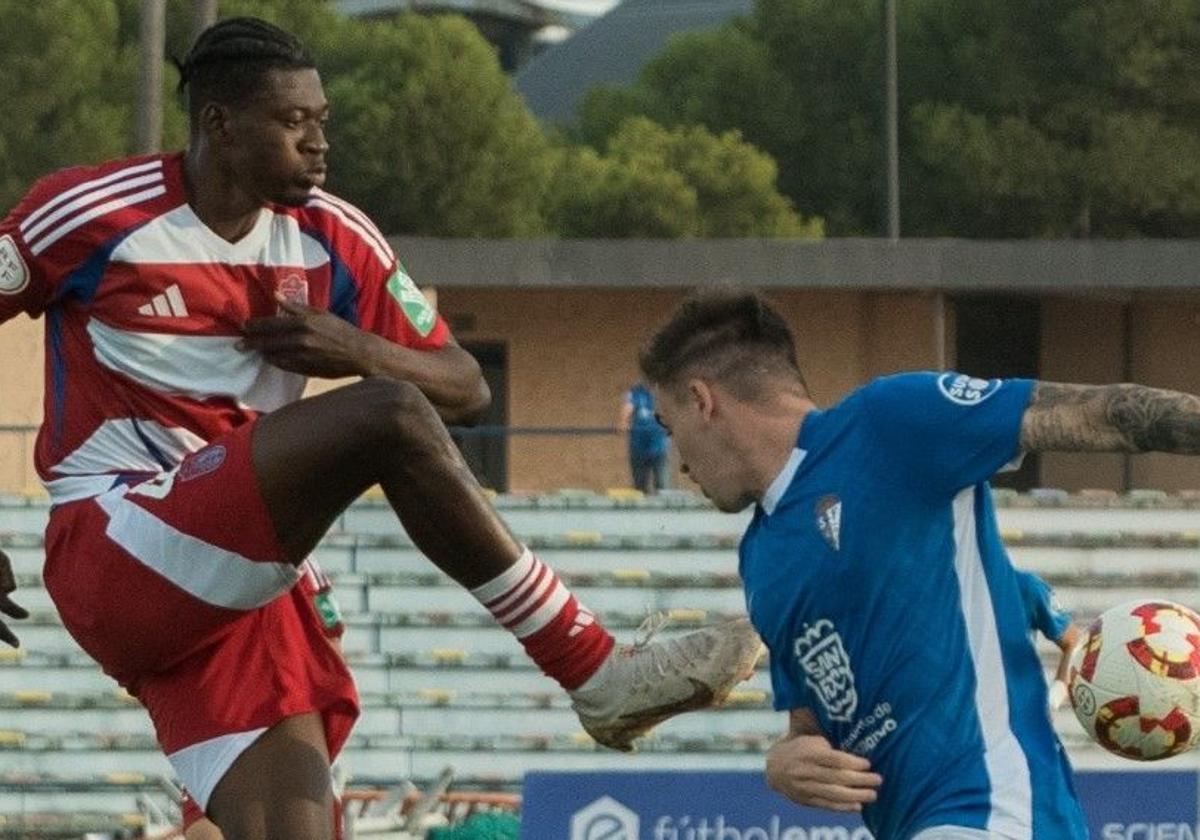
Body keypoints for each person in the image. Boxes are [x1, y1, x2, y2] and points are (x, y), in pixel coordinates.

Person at [0, 19, 761, 839]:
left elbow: (466, 385)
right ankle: (592, 665)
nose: (319, 143)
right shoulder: (92, 212)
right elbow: (404, 410)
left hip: (241, 583)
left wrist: (354, 346)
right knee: (387, 416)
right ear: (219, 123)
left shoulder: (333, 234)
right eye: (294, 124)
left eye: (322, 119)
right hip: (119, 541)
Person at [640, 288, 1200, 840]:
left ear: (702, 400)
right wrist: (787, 761)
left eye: (668, 428)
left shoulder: (887, 422)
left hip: (998, 814)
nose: (676, 460)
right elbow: (809, 725)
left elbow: (1103, 415)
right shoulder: (762, 559)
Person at [1014, 568, 1081, 711]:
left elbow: (1073, 641)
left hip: (1012, 717)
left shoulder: (1024, 587)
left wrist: (1053, 699)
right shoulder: (955, 593)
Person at [619, 381, 670, 494]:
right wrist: (623, 421)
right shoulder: (636, 391)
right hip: (638, 447)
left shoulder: (663, 391)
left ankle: (664, 510)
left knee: (662, 484)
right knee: (639, 485)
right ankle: (641, 511)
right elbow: (628, 406)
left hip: (659, 447)